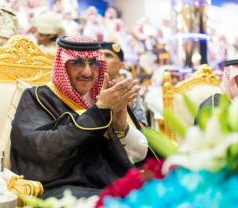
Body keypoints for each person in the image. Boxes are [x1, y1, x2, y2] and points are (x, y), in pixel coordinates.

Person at [10, 35, 148, 199]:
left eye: (94, 63)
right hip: (63, 188)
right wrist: (99, 111)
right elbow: (41, 149)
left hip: (106, 184)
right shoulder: (38, 97)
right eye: (77, 62)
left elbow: (139, 154)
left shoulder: (104, 97)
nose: (87, 72)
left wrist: (120, 126)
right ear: (63, 65)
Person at [100, 41, 148, 126]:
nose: (101, 58)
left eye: (108, 55)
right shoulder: (87, 87)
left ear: (120, 66)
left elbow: (143, 129)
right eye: (99, 54)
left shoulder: (129, 92)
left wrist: (127, 111)